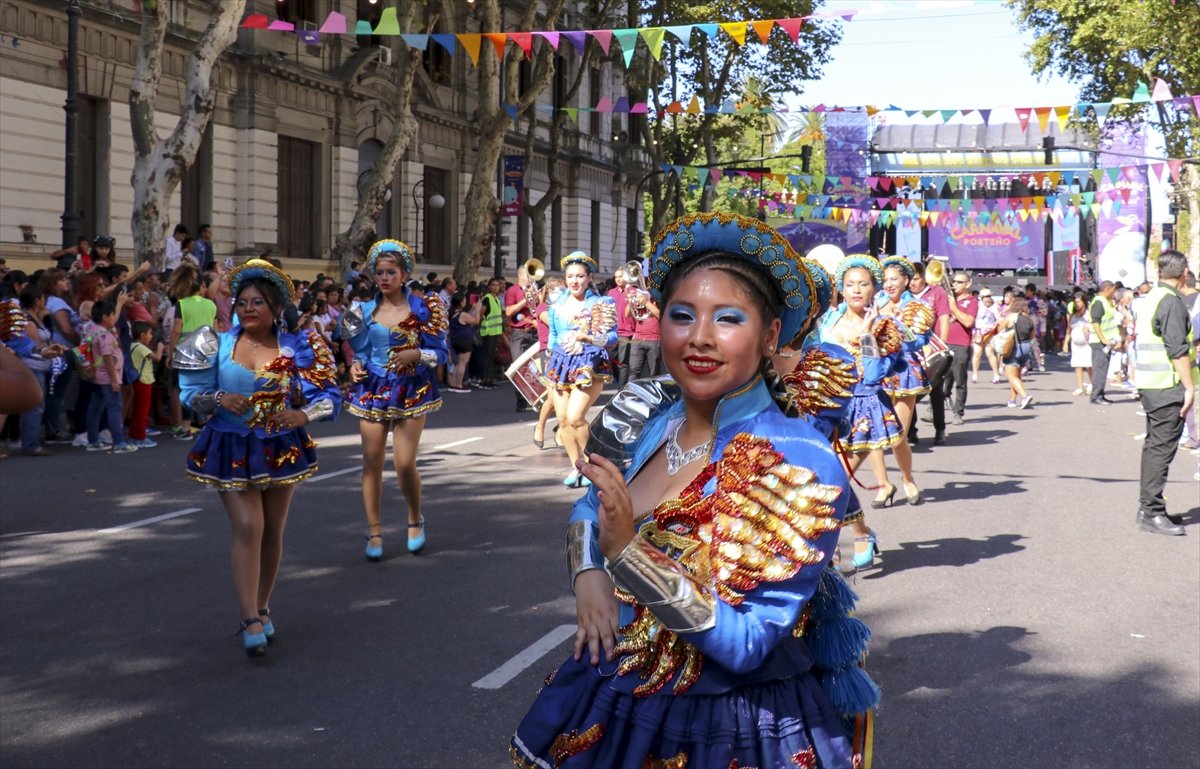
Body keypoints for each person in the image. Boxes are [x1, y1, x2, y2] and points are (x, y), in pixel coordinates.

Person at [511, 212, 877, 769]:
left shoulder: (795, 456)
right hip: (613, 688)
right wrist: (588, 574)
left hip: (732, 726)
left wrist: (628, 557)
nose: (700, 337)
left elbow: (748, 642)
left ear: (770, 334)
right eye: (682, 316)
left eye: (728, 319)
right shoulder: (652, 412)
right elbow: (593, 500)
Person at [178, 258, 341, 657]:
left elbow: (329, 395)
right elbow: (188, 394)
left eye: (258, 302)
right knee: (249, 526)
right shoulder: (215, 343)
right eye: (243, 302)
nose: (249, 308)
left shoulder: (298, 346)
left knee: (272, 530)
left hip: (279, 445)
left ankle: (263, 607)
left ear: (274, 307)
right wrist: (218, 398)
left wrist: (304, 413)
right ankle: (249, 617)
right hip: (229, 444)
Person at [344, 240, 449, 560]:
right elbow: (359, 351)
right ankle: (374, 531)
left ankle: (414, 517)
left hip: (411, 387)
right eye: (379, 272)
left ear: (404, 274)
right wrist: (355, 365)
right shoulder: (362, 311)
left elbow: (442, 353)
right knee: (371, 462)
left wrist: (417, 353)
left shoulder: (423, 309)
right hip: (374, 388)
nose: (385, 277)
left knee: (404, 463)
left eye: (391, 272)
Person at [817, 254, 908, 569]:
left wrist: (868, 336)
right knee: (822, 477)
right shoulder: (828, 320)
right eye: (850, 284)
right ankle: (860, 533)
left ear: (875, 289)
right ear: (841, 289)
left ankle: (837, 544)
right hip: (825, 406)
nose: (856, 290)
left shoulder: (886, 325)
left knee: (835, 478)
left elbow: (872, 376)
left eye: (863, 284)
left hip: (863, 408)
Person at [542, 251, 617, 487]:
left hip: (589, 362)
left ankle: (591, 465)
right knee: (563, 420)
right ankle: (575, 467)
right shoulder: (557, 305)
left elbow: (614, 337)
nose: (575, 281)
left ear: (589, 278)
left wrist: (591, 339)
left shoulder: (600, 303)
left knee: (576, 418)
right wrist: (550, 358)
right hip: (560, 363)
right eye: (571, 276)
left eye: (580, 276)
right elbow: (553, 336)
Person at [1133, 250, 1195, 536]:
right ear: (1184, 275)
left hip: (1151, 384)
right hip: (1166, 386)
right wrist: (1190, 387)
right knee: (1160, 450)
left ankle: (1149, 507)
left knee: (1154, 447)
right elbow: (1177, 349)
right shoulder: (1171, 303)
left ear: (1159, 273)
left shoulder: (1150, 299)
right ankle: (1151, 511)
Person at [876, 255, 934, 506]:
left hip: (903, 371)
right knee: (873, 433)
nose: (889, 284)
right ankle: (883, 484)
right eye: (885, 279)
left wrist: (900, 328)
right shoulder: (874, 303)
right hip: (874, 370)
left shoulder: (916, 307)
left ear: (906, 281)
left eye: (894, 279)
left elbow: (921, 341)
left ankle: (907, 478)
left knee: (898, 434)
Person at [85, 300, 137, 454]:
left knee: (95, 408)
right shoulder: (104, 335)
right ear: (105, 317)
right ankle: (119, 442)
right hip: (108, 377)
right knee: (114, 407)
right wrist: (114, 379)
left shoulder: (92, 330)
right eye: (112, 315)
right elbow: (107, 357)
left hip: (96, 375)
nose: (114, 317)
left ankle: (93, 440)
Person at [944, 271, 978, 426]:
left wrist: (954, 309)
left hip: (961, 345)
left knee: (960, 381)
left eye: (959, 282)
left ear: (968, 284)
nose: (955, 284)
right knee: (941, 379)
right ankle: (935, 407)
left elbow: (968, 322)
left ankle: (958, 413)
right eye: (954, 281)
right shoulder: (949, 299)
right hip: (945, 343)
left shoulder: (971, 302)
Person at [505, 266, 539, 412]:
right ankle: (521, 400)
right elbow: (508, 312)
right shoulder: (512, 290)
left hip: (534, 331)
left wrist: (538, 297)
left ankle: (536, 397)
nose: (532, 278)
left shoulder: (534, 289)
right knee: (519, 366)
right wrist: (526, 300)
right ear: (521, 276)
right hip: (519, 332)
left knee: (536, 367)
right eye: (529, 275)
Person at [128, 321, 164, 448]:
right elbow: (157, 358)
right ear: (142, 335)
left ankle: (135, 434)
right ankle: (140, 436)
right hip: (144, 380)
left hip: (138, 379)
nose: (151, 336)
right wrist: (160, 348)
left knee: (138, 409)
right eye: (149, 334)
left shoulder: (132, 346)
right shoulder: (141, 348)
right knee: (142, 410)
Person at [996, 296, 1035, 409]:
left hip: (1014, 347)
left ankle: (1024, 396)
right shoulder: (1029, 319)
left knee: (1010, 376)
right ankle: (1012, 400)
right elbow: (1032, 338)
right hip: (1026, 347)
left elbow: (1000, 330)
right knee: (1017, 376)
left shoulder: (1011, 317)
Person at [1089, 280, 1120, 404]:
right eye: (1113, 290)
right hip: (1100, 342)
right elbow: (1095, 322)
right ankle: (1096, 396)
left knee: (1103, 368)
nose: (1114, 293)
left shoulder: (1105, 302)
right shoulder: (1099, 302)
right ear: (1107, 289)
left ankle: (1100, 394)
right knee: (1100, 369)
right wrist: (1103, 339)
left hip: (1106, 341)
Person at [446, 290, 481, 393]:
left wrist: (473, 309)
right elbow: (476, 321)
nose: (465, 302)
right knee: (463, 362)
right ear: (461, 302)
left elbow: (467, 317)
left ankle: (453, 383)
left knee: (458, 362)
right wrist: (477, 310)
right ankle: (459, 384)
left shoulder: (453, 313)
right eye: (464, 300)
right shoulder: (462, 314)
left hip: (455, 339)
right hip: (465, 340)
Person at [606, 266, 635, 389]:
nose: (618, 279)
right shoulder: (611, 292)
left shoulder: (633, 291)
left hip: (627, 331)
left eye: (621, 276)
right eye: (616, 277)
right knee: (611, 358)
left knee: (623, 362)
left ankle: (621, 388)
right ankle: (619, 381)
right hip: (613, 331)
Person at [972, 288, 1000, 384]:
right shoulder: (977, 305)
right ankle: (975, 374)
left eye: (989, 296)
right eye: (986, 297)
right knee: (977, 353)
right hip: (978, 332)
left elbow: (998, 318)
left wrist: (995, 326)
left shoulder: (994, 306)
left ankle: (996, 375)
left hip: (990, 332)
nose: (988, 299)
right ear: (981, 298)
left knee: (990, 353)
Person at [1068, 295, 1093, 396]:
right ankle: (1080, 387)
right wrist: (1065, 343)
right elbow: (1068, 330)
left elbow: (1094, 324)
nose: (1077, 304)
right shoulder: (1073, 315)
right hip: (1075, 343)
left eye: (1079, 302)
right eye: (1075, 302)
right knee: (1077, 365)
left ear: (1084, 302)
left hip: (1087, 342)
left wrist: (1088, 327)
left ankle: (1092, 384)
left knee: (1089, 364)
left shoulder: (1088, 313)